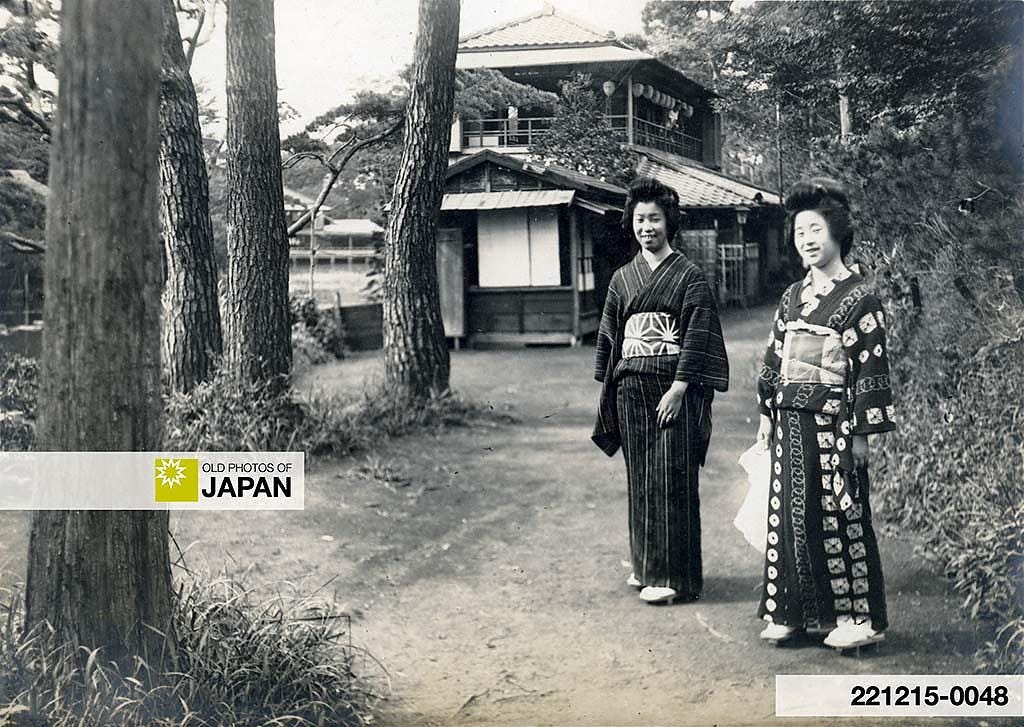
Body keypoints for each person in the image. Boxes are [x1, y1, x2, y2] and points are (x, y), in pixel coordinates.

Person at [754, 176, 897, 650]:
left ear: (837, 233)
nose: (808, 240)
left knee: (844, 515)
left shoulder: (861, 300)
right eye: (799, 233)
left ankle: (860, 619)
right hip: (791, 423)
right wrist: (766, 413)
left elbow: (869, 369)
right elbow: (776, 356)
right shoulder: (792, 296)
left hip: (836, 424)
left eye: (815, 229)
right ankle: (792, 614)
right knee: (790, 516)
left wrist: (860, 435)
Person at [593, 177, 730, 605]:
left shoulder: (689, 277)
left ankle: (675, 576)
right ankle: (647, 566)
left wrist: (680, 387)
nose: (646, 226)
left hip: (675, 388)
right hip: (631, 389)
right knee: (641, 479)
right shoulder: (622, 278)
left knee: (671, 477)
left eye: (654, 218)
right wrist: (612, 387)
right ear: (631, 224)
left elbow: (698, 336)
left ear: (670, 223)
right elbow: (612, 339)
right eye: (640, 219)